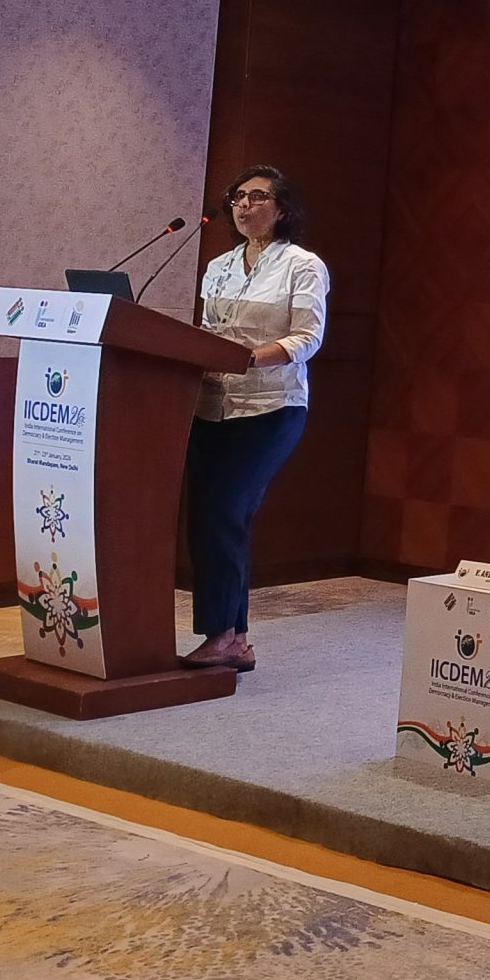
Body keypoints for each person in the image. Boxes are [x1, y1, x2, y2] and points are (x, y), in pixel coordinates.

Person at [182, 166, 329, 672]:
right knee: (211, 517)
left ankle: (223, 634)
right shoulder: (218, 266)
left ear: (282, 208)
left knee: (223, 509)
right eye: (238, 197)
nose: (244, 205)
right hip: (211, 405)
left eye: (258, 197)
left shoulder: (302, 266)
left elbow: (307, 338)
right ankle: (236, 639)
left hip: (271, 408)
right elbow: (208, 330)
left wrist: (248, 359)